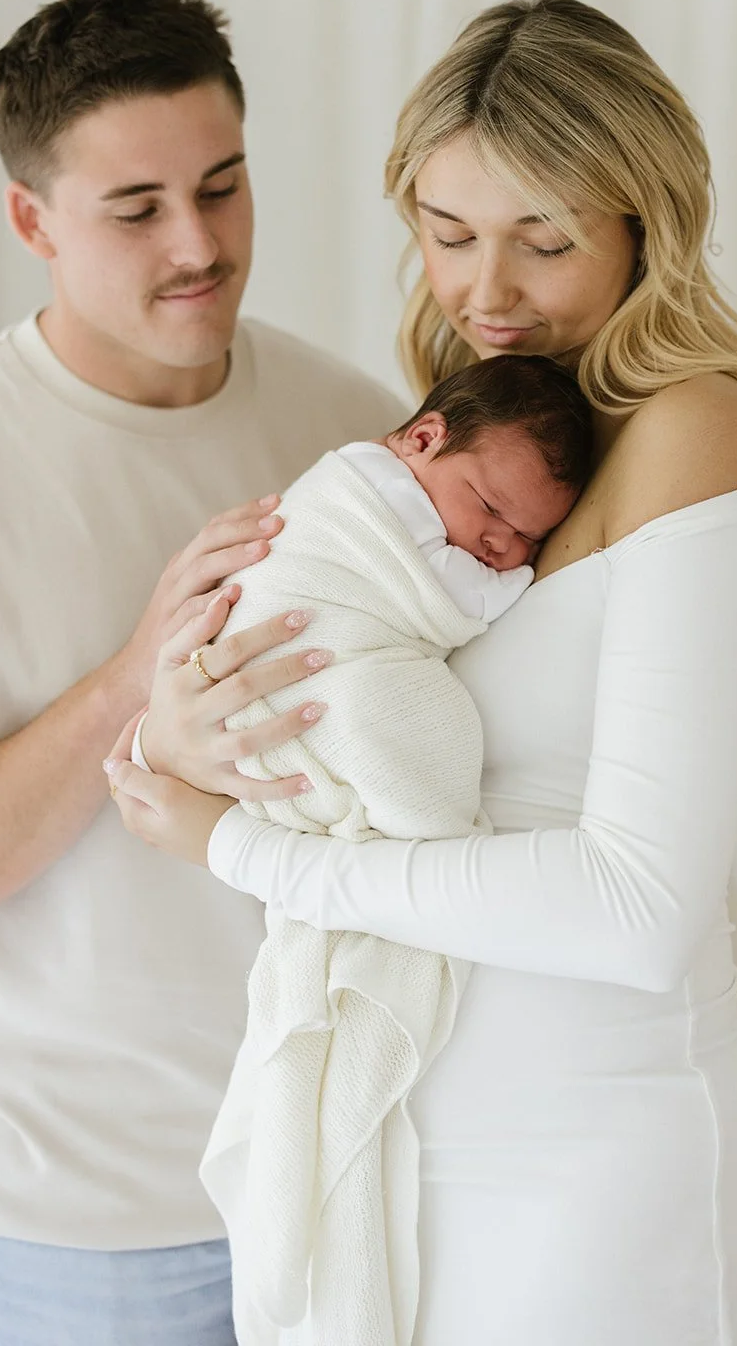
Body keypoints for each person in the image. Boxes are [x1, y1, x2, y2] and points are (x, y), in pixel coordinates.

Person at [106, 0, 737, 1346]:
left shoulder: (696, 434)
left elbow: (637, 908)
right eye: (447, 237)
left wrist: (240, 852)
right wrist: (195, 724)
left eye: (544, 240)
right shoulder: (466, 465)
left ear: (646, 223)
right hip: (413, 1148)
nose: (486, 291)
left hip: (598, 1172)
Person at [0, 0, 407, 1346]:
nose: (197, 244)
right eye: (136, 209)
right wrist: (134, 680)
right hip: (88, 1237)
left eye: (222, 185)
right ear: (31, 218)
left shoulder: (357, 429)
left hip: (349, 1178)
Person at [128, 352, 591, 1344]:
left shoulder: (423, 493)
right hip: (304, 661)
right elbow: (433, 608)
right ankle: (395, 824)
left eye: (526, 539)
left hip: (286, 727)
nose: (498, 547)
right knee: (399, 719)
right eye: (486, 509)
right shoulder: (367, 501)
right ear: (421, 441)